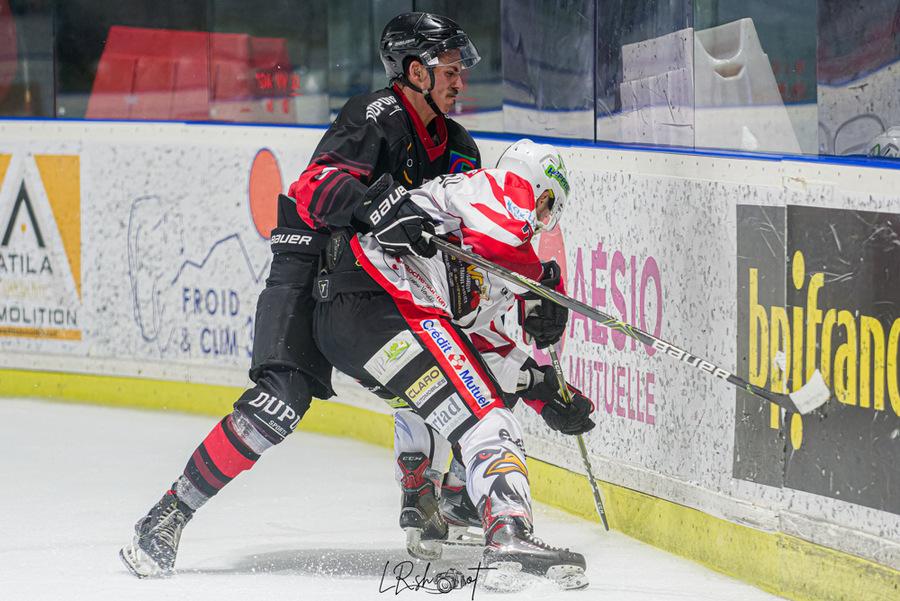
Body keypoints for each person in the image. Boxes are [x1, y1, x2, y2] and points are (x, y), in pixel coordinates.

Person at [120, 11, 483, 578]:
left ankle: (435, 489)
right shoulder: (373, 116)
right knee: (279, 400)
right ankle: (168, 515)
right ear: (415, 71)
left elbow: (470, 225)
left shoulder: (458, 145)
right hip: (311, 259)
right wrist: (374, 204)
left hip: (375, 281)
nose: (461, 81)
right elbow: (315, 185)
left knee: (448, 358)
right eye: (450, 70)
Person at [311, 139, 595, 590]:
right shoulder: (489, 188)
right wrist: (543, 282)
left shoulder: (491, 257)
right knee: (487, 421)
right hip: (385, 300)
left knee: (444, 399)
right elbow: (497, 240)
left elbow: (473, 341)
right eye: (543, 208)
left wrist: (541, 387)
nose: (538, 223)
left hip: (352, 327)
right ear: (536, 188)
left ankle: (421, 492)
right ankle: (507, 531)